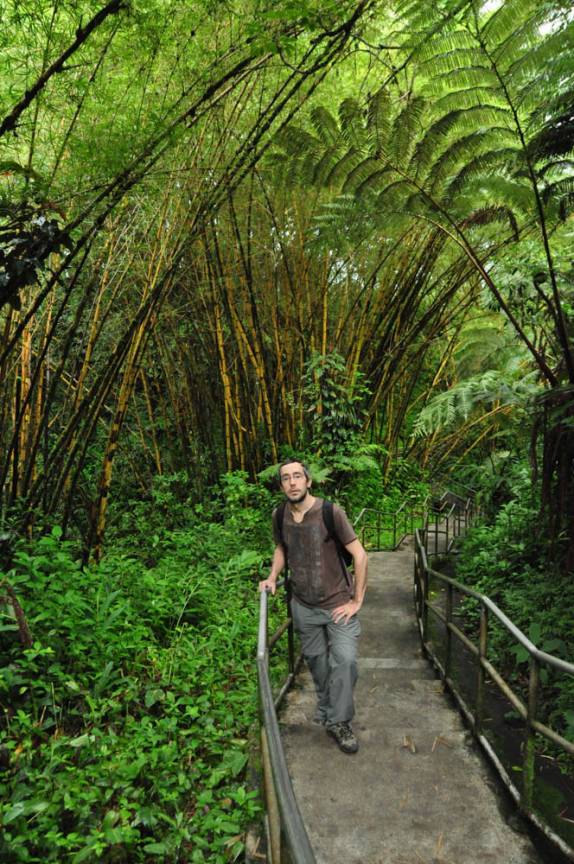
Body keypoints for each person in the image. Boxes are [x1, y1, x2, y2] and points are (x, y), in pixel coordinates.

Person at [258, 458, 368, 754]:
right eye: (286, 478)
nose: (292, 482)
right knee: (319, 666)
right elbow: (282, 547)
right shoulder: (279, 514)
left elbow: (360, 555)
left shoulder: (331, 512)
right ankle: (331, 711)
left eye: (297, 476)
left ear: (308, 481)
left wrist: (357, 600)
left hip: (337, 605)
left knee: (344, 662)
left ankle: (339, 721)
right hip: (303, 606)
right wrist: (272, 577)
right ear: (281, 485)